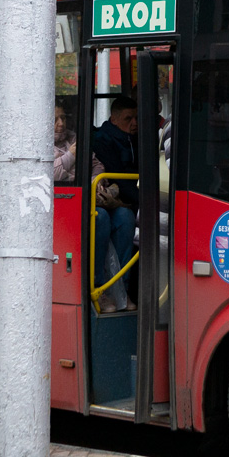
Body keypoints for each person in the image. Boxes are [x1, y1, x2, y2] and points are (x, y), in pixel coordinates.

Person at [91, 96, 138, 313]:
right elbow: (118, 176)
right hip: (98, 199)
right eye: (129, 118)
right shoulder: (103, 139)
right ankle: (100, 287)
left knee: (126, 218)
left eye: (137, 118)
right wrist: (137, 200)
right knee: (100, 218)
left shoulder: (133, 139)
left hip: (119, 199)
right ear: (114, 119)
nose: (135, 123)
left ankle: (120, 288)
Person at [53, 105, 77, 184]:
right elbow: (48, 173)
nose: (61, 123)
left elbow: (96, 164)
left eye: (63, 118)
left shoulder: (73, 138)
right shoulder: (37, 143)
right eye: (55, 119)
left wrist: (95, 180)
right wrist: (70, 156)